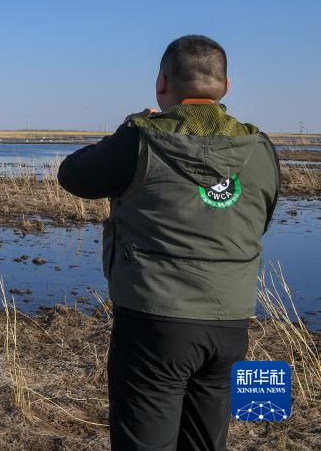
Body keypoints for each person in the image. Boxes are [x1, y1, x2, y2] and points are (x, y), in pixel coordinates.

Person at [58, 35, 281, 451]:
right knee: (205, 442)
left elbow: (73, 175)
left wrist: (125, 129)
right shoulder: (261, 150)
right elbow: (258, 220)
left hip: (154, 321)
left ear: (162, 83)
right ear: (225, 85)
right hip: (231, 322)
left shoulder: (141, 139)